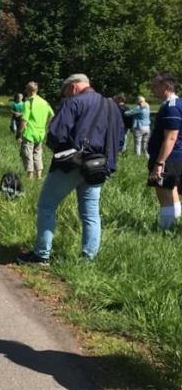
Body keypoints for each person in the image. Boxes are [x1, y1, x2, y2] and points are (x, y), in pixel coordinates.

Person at [18, 73, 123, 265]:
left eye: (66, 92)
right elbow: (120, 140)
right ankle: (87, 260)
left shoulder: (73, 103)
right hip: (99, 167)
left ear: (73, 87)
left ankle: (41, 254)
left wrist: (60, 151)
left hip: (71, 164)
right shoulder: (112, 107)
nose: (66, 96)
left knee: (47, 206)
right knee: (91, 214)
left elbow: (56, 134)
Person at [147, 73, 182, 230]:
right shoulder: (176, 104)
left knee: (165, 197)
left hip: (168, 158)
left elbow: (171, 137)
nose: (152, 89)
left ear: (167, 87)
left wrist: (159, 163)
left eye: (155, 86)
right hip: (175, 157)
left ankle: (165, 230)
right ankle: (174, 225)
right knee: (172, 193)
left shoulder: (171, 107)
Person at [19, 81, 54, 180]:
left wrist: (19, 132)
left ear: (27, 90)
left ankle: (30, 176)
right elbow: (52, 115)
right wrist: (45, 124)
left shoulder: (28, 103)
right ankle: (39, 176)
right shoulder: (44, 102)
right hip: (40, 133)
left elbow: (24, 120)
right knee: (37, 154)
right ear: (37, 90)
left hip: (29, 133)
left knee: (27, 154)